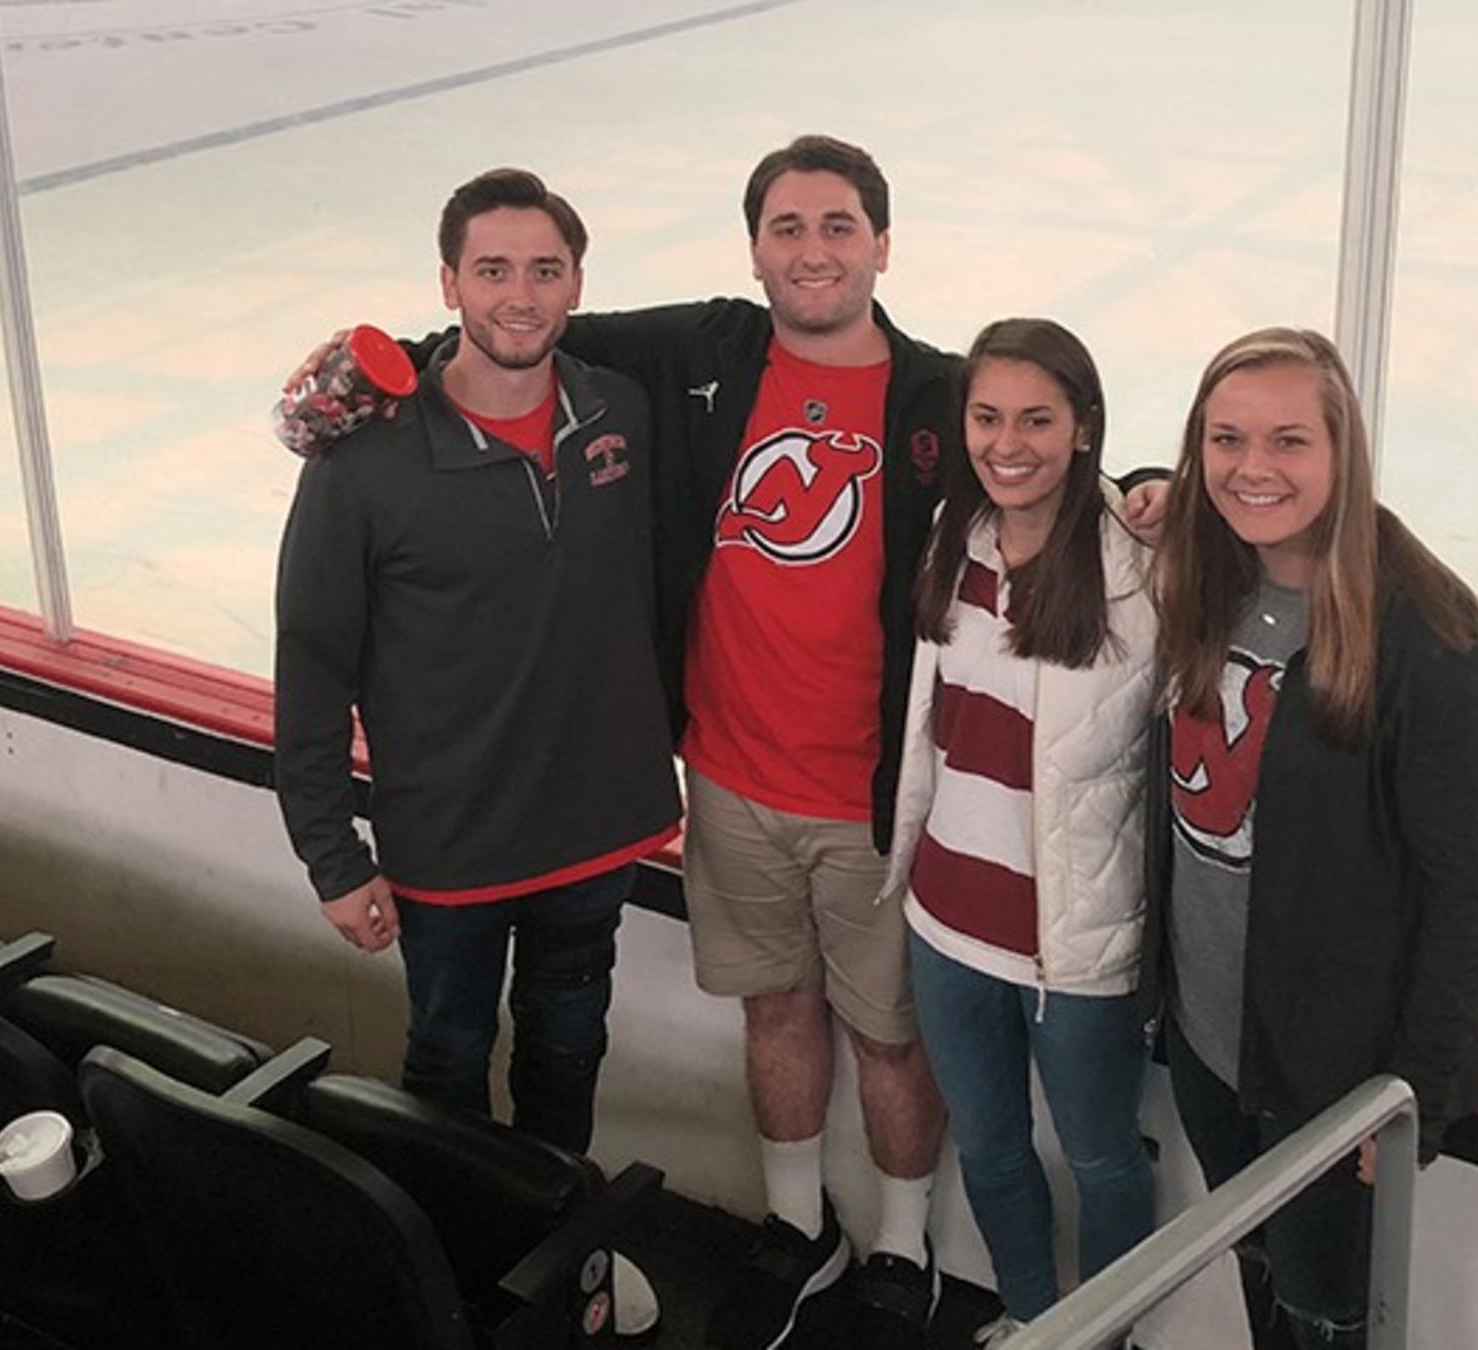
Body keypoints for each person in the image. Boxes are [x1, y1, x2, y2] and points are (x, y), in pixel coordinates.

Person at [283, 136, 1169, 1350]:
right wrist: (359, 372)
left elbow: (1044, 452)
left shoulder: (936, 389)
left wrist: (1155, 483)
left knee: (886, 1035)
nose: (813, 251)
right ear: (754, 251)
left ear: (882, 246)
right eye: (788, 228)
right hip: (732, 782)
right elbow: (512, 328)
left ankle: (901, 1248)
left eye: (838, 227)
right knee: (772, 1013)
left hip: (874, 795)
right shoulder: (696, 350)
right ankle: (795, 1232)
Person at [271, 168, 678, 1337]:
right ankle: (444, 1263)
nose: (519, 293)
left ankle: (555, 1249)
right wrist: (330, 855)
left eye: (544, 269)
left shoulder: (618, 417)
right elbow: (312, 665)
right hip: (448, 843)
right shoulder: (362, 463)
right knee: (447, 1064)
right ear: (446, 285)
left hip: (595, 824)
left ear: (578, 283)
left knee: (568, 1039)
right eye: (491, 269)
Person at [1145, 328, 1478, 1350]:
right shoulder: (1201, 582)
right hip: (1210, 1047)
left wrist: (1410, 1097)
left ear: (1343, 453)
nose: (1252, 467)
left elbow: (1468, 894)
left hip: (1335, 1084)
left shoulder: (1436, 645)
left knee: (1327, 1313)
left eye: (1288, 441)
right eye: (1226, 439)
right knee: (1265, 1279)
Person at [879, 319, 1160, 1345]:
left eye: (1038, 419)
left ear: (1084, 428)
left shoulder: (1143, 568)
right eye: (988, 417)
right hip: (946, 920)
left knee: (1099, 1158)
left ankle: (1105, 1334)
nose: (1010, 442)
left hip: (1077, 948)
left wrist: (1162, 486)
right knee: (992, 1148)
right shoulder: (957, 532)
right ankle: (1039, 1319)